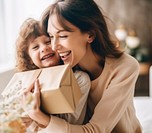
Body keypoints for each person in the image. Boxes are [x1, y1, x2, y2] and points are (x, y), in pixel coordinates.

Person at [21, 0, 142, 133]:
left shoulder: (124, 67)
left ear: (90, 34)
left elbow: (95, 130)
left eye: (62, 36)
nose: (54, 47)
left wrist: (40, 117)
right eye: (51, 37)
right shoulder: (63, 67)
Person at [15, 18, 91, 131]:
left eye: (48, 42)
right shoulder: (26, 85)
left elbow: (72, 124)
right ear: (29, 59)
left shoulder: (78, 79)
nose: (44, 48)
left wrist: (36, 116)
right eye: (35, 47)